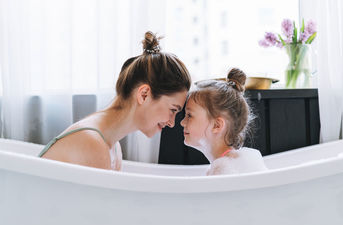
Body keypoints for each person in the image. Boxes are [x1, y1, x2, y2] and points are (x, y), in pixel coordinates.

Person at [39, 31, 191, 170]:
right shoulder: (93, 143)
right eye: (173, 110)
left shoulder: (113, 147)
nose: (172, 123)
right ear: (144, 94)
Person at [180, 68, 266, 175]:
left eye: (189, 115)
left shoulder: (223, 171)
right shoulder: (227, 165)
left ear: (217, 125)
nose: (182, 122)